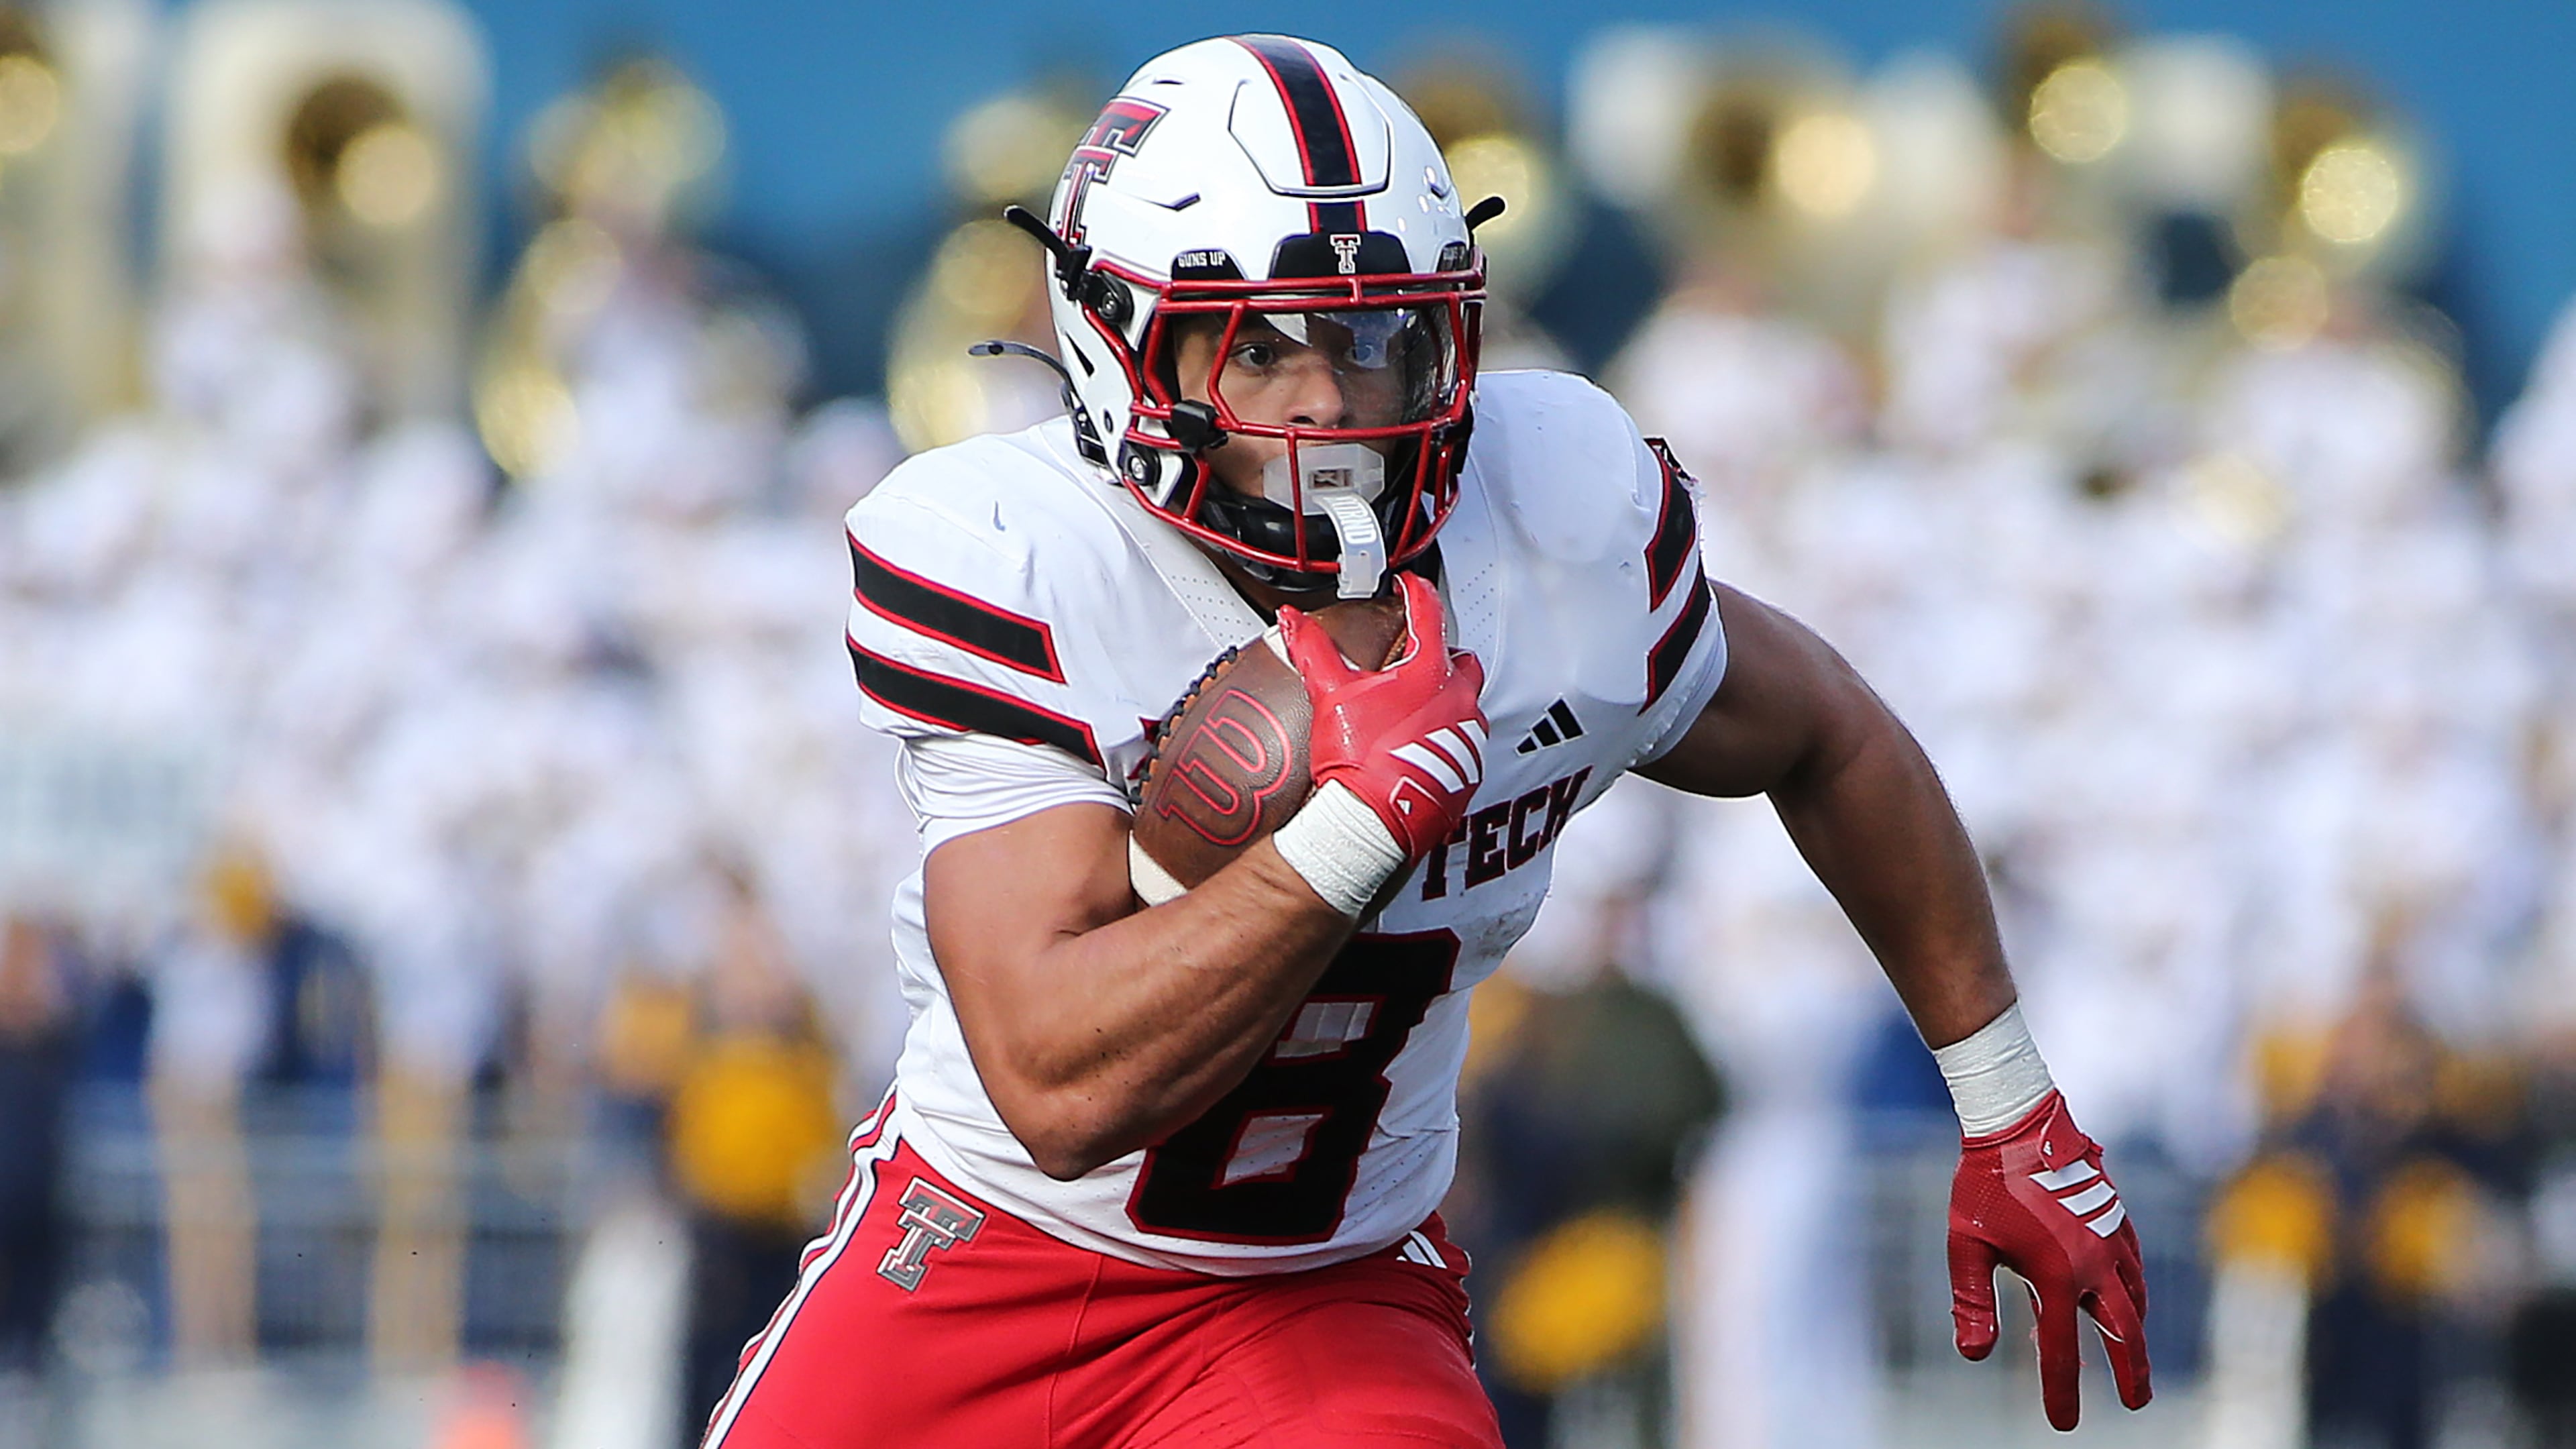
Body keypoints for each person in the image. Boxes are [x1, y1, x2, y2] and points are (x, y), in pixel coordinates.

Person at [706, 35, 2150, 1448]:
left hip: (1319, 1301)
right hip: (991, 1260)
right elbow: (1060, 1089)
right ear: (1119, 347)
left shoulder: (1551, 524)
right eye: (1262, 348)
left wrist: (2010, 1106)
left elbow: (1829, 732)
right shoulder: (1022, 552)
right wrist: (1361, 821)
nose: (1330, 401)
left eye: (1379, 338)